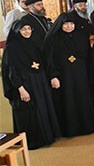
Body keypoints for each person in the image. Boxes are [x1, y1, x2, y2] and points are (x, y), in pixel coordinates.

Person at [1, 19, 61, 149]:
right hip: (25, 84)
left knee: (42, 109)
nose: (27, 31)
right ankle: (34, 141)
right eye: (24, 29)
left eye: (29, 29)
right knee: (31, 113)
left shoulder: (32, 44)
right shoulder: (11, 48)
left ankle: (46, 137)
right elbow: (11, 72)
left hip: (39, 83)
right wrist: (21, 89)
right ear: (17, 31)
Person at [43, 13, 94, 137]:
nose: (69, 26)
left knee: (83, 98)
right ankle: (69, 129)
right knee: (67, 100)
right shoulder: (52, 38)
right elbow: (49, 59)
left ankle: (87, 126)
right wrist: (53, 76)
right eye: (66, 24)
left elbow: (89, 56)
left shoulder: (81, 36)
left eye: (71, 24)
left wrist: (91, 74)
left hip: (81, 74)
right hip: (63, 75)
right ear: (60, 25)